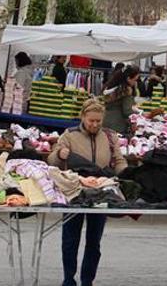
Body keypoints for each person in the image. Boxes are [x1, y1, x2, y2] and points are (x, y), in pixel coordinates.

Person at [48, 99, 128, 286]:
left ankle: (87, 281)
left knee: (94, 241)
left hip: (101, 192)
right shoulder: (69, 135)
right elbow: (52, 161)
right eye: (91, 120)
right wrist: (60, 155)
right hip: (75, 192)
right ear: (83, 117)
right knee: (70, 239)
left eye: (98, 121)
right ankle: (69, 280)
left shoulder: (109, 136)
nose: (95, 124)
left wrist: (125, 174)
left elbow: (118, 161)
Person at [103, 65, 139, 136]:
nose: (135, 82)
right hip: (118, 125)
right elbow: (127, 111)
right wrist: (138, 116)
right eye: (135, 80)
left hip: (105, 121)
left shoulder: (110, 87)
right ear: (128, 78)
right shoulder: (126, 90)